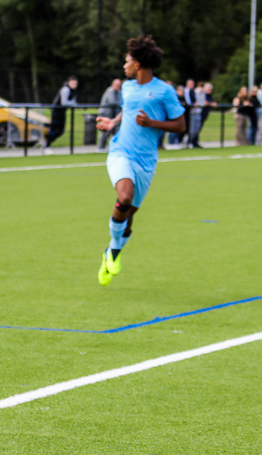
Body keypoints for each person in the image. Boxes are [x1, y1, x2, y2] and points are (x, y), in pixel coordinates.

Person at [95, 35, 185, 286]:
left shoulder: (164, 91)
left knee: (130, 212)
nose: (124, 65)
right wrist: (113, 122)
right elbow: (129, 109)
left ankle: (114, 252)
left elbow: (180, 125)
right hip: (120, 151)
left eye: (127, 60)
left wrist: (152, 123)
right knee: (124, 198)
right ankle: (113, 249)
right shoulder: (127, 87)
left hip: (146, 161)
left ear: (138, 64)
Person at [45, 75, 77, 146]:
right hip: (57, 112)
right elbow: (64, 103)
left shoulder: (73, 91)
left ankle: (47, 140)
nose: (74, 85)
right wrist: (72, 103)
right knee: (55, 129)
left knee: (60, 131)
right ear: (68, 83)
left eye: (75, 84)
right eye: (72, 83)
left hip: (62, 112)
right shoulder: (66, 89)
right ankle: (46, 143)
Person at [97, 78, 122, 150]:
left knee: (115, 131)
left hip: (114, 115)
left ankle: (115, 146)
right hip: (106, 114)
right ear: (113, 85)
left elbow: (121, 101)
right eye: (116, 85)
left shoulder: (119, 92)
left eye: (119, 85)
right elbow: (112, 102)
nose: (117, 87)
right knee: (105, 130)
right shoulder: (110, 91)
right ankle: (101, 147)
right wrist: (121, 104)